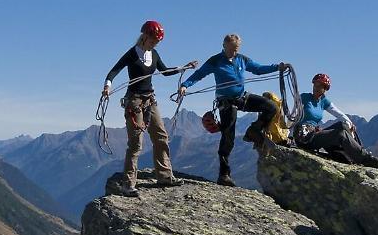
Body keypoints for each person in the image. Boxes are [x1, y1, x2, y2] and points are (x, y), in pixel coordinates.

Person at [179, 34, 289, 186]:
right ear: (224, 46)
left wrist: (277, 67)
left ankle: (253, 131)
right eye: (231, 49)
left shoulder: (242, 59)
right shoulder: (215, 60)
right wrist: (185, 85)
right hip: (225, 101)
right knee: (228, 133)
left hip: (241, 97)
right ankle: (224, 174)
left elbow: (257, 69)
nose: (233, 52)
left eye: (236, 49)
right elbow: (200, 74)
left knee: (272, 107)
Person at [102, 20, 197, 197]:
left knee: (161, 137)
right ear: (145, 36)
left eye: (157, 42)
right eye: (154, 40)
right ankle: (128, 184)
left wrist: (184, 67)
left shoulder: (154, 54)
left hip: (150, 100)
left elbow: (165, 71)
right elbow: (114, 71)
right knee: (136, 143)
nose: (155, 43)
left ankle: (165, 176)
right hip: (135, 101)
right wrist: (107, 86)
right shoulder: (132, 54)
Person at [295, 72, 378, 168]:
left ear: (325, 89)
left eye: (320, 86)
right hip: (304, 137)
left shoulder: (324, 101)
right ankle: (365, 159)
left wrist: (350, 124)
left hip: (314, 133)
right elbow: (293, 114)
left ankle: (358, 152)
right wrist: (288, 135)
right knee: (340, 133)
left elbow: (338, 113)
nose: (316, 87)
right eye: (315, 84)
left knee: (343, 125)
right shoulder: (304, 97)